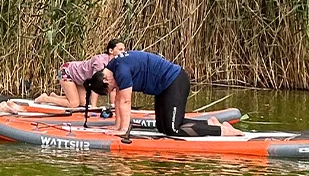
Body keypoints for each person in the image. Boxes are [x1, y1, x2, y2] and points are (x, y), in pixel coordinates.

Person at [87, 51, 242, 138]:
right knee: (163, 127)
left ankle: (222, 131)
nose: (114, 89)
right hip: (163, 88)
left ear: (106, 79)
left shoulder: (120, 70)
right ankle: (210, 123)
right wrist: (117, 126)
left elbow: (125, 101)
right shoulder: (114, 67)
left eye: (111, 88)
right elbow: (120, 100)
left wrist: (123, 130)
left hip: (174, 81)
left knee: (173, 129)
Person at [0, 38, 127, 114]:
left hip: (79, 79)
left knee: (82, 103)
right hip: (67, 72)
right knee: (74, 104)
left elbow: (112, 86)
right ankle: (46, 98)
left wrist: (115, 106)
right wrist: (93, 108)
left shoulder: (114, 65)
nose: (123, 52)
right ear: (111, 51)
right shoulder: (100, 62)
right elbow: (95, 86)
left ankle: (55, 97)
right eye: (120, 49)